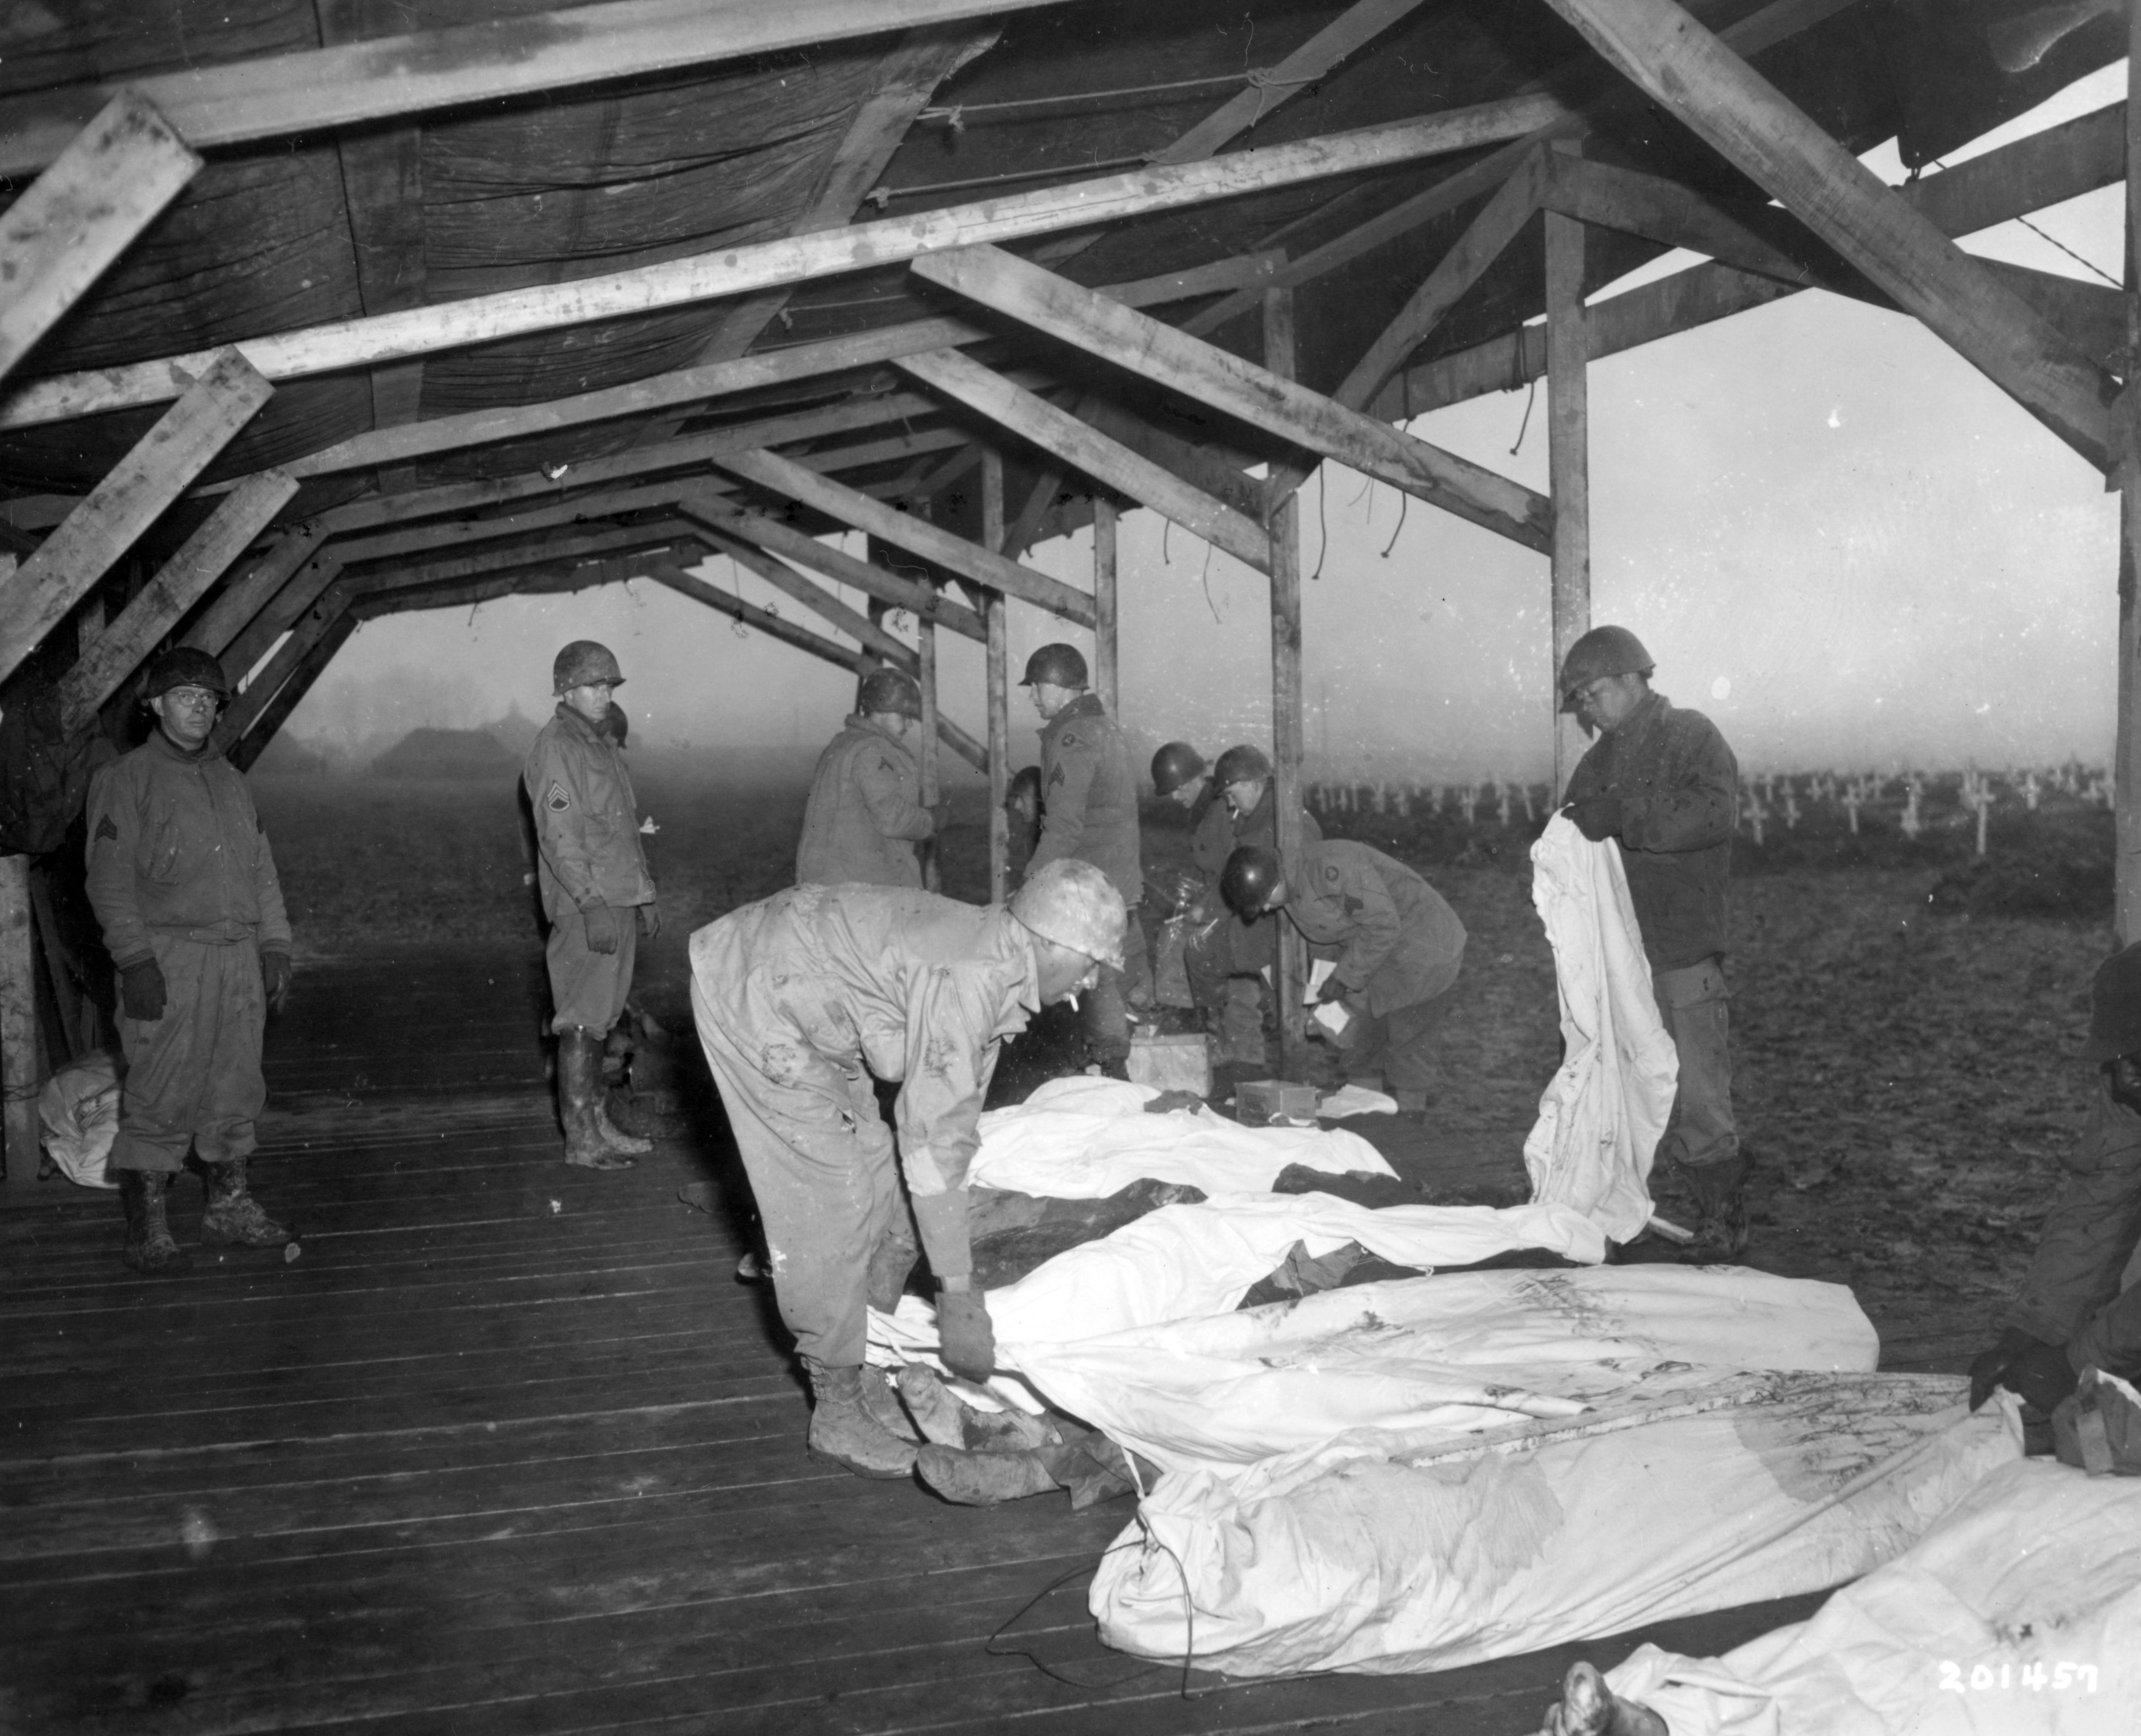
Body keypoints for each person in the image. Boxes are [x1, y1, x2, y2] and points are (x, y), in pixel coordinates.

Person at [689, 861, 1127, 1478]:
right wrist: (956, 1292)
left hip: (807, 1002)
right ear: (1050, 943)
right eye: (1090, 962)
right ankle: (836, 1411)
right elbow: (929, 1137)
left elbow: (952, 1123)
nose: (1090, 981)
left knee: (874, 1171)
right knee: (830, 1200)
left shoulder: (1000, 968)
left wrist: (906, 1237)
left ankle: (860, 1369)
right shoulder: (971, 976)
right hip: (756, 994)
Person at [85, 648, 293, 1273]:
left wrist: (276, 944)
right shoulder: (126, 780)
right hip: (170, 958)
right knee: (160, 1088)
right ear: (153, 704)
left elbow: (262, 872)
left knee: (236, 1085)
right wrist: (136, 961)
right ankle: (148, 1222)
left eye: (210, 698)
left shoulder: (230, 780)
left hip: (237, 959)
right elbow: (108, 882)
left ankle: (228, 1205)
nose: (200, 707)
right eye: (185, 696)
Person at [1558, 625, 1745, 1260]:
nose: (1587, 707)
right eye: (1579, 698)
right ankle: (1616, 1208)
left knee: (1696, 1091)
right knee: (1610, 1088)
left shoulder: (1691, 736)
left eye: (1594, 692)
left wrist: (1628, 818)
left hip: (1682, 951)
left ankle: (1722, 1219)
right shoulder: (1595, 764)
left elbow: (1713, 814)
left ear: (1636, 678)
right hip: (1618, 961)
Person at [1969, 943, 2141, 1423]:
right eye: (2120, 1058)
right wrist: (2031, 1333)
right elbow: (2099, 1204)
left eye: (2140, 1058)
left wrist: (2074, 1360)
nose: (2127, 1077)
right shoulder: (2130, 1082)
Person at [524, 639, 660, 1172]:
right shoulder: (556, 747)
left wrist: (644, 895)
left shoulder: (597, 745)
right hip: (591, 907)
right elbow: (561, 837)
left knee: (601, 1018)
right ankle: (581, 1137)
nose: (604, 694)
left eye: (609, 685)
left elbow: (624, 830)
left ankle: (598, 1124)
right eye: (593, 685)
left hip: (618, 898)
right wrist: (591, 903)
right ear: (565, 690)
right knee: (582, 1020)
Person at [1221, 838, 1465, 1114]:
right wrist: (1322, 995)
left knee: (1407, 1045)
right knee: (1357, 1042)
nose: (1266, 910)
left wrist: (1343, 980)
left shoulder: (1333, 867)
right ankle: (1369, 1121)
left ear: (1274, 881)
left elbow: (1383, 927)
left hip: (1422, 949)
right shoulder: (1289, 888)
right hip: (1375, 953)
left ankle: (1410, 1127)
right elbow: (1325, 938)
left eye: (1265, 901)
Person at [1021, 643, 1145, 1072]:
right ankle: (1108, 1071)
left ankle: (1112, 1077)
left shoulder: (1072, 739)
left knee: (1095, 985)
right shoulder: (1103, 728)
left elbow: (1064, 827)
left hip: (1092, 888)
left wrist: (1030, 889)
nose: (1033, 696)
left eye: (1037, 687)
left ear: (1058, 686)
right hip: (1117, 881)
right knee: (1108, 982)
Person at [1185, 744, 1324, 1067]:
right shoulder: (1259, 819)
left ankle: (1225, 1040)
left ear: (1252, 784)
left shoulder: (1284, 825)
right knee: (1254, 992)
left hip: (1278, 932)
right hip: (1263, 926)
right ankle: (1243, 1056)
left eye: (1232, 794)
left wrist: (1213, 916)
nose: (1230, 804)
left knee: (1203, 954)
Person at [795, 667, 945, 888]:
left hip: (830, 881)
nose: (909, 725)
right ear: (882, 711)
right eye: (904, 717)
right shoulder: (872, 750)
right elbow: (891, 818)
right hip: (860, 887)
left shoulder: (844, 743)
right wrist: (932, 820)